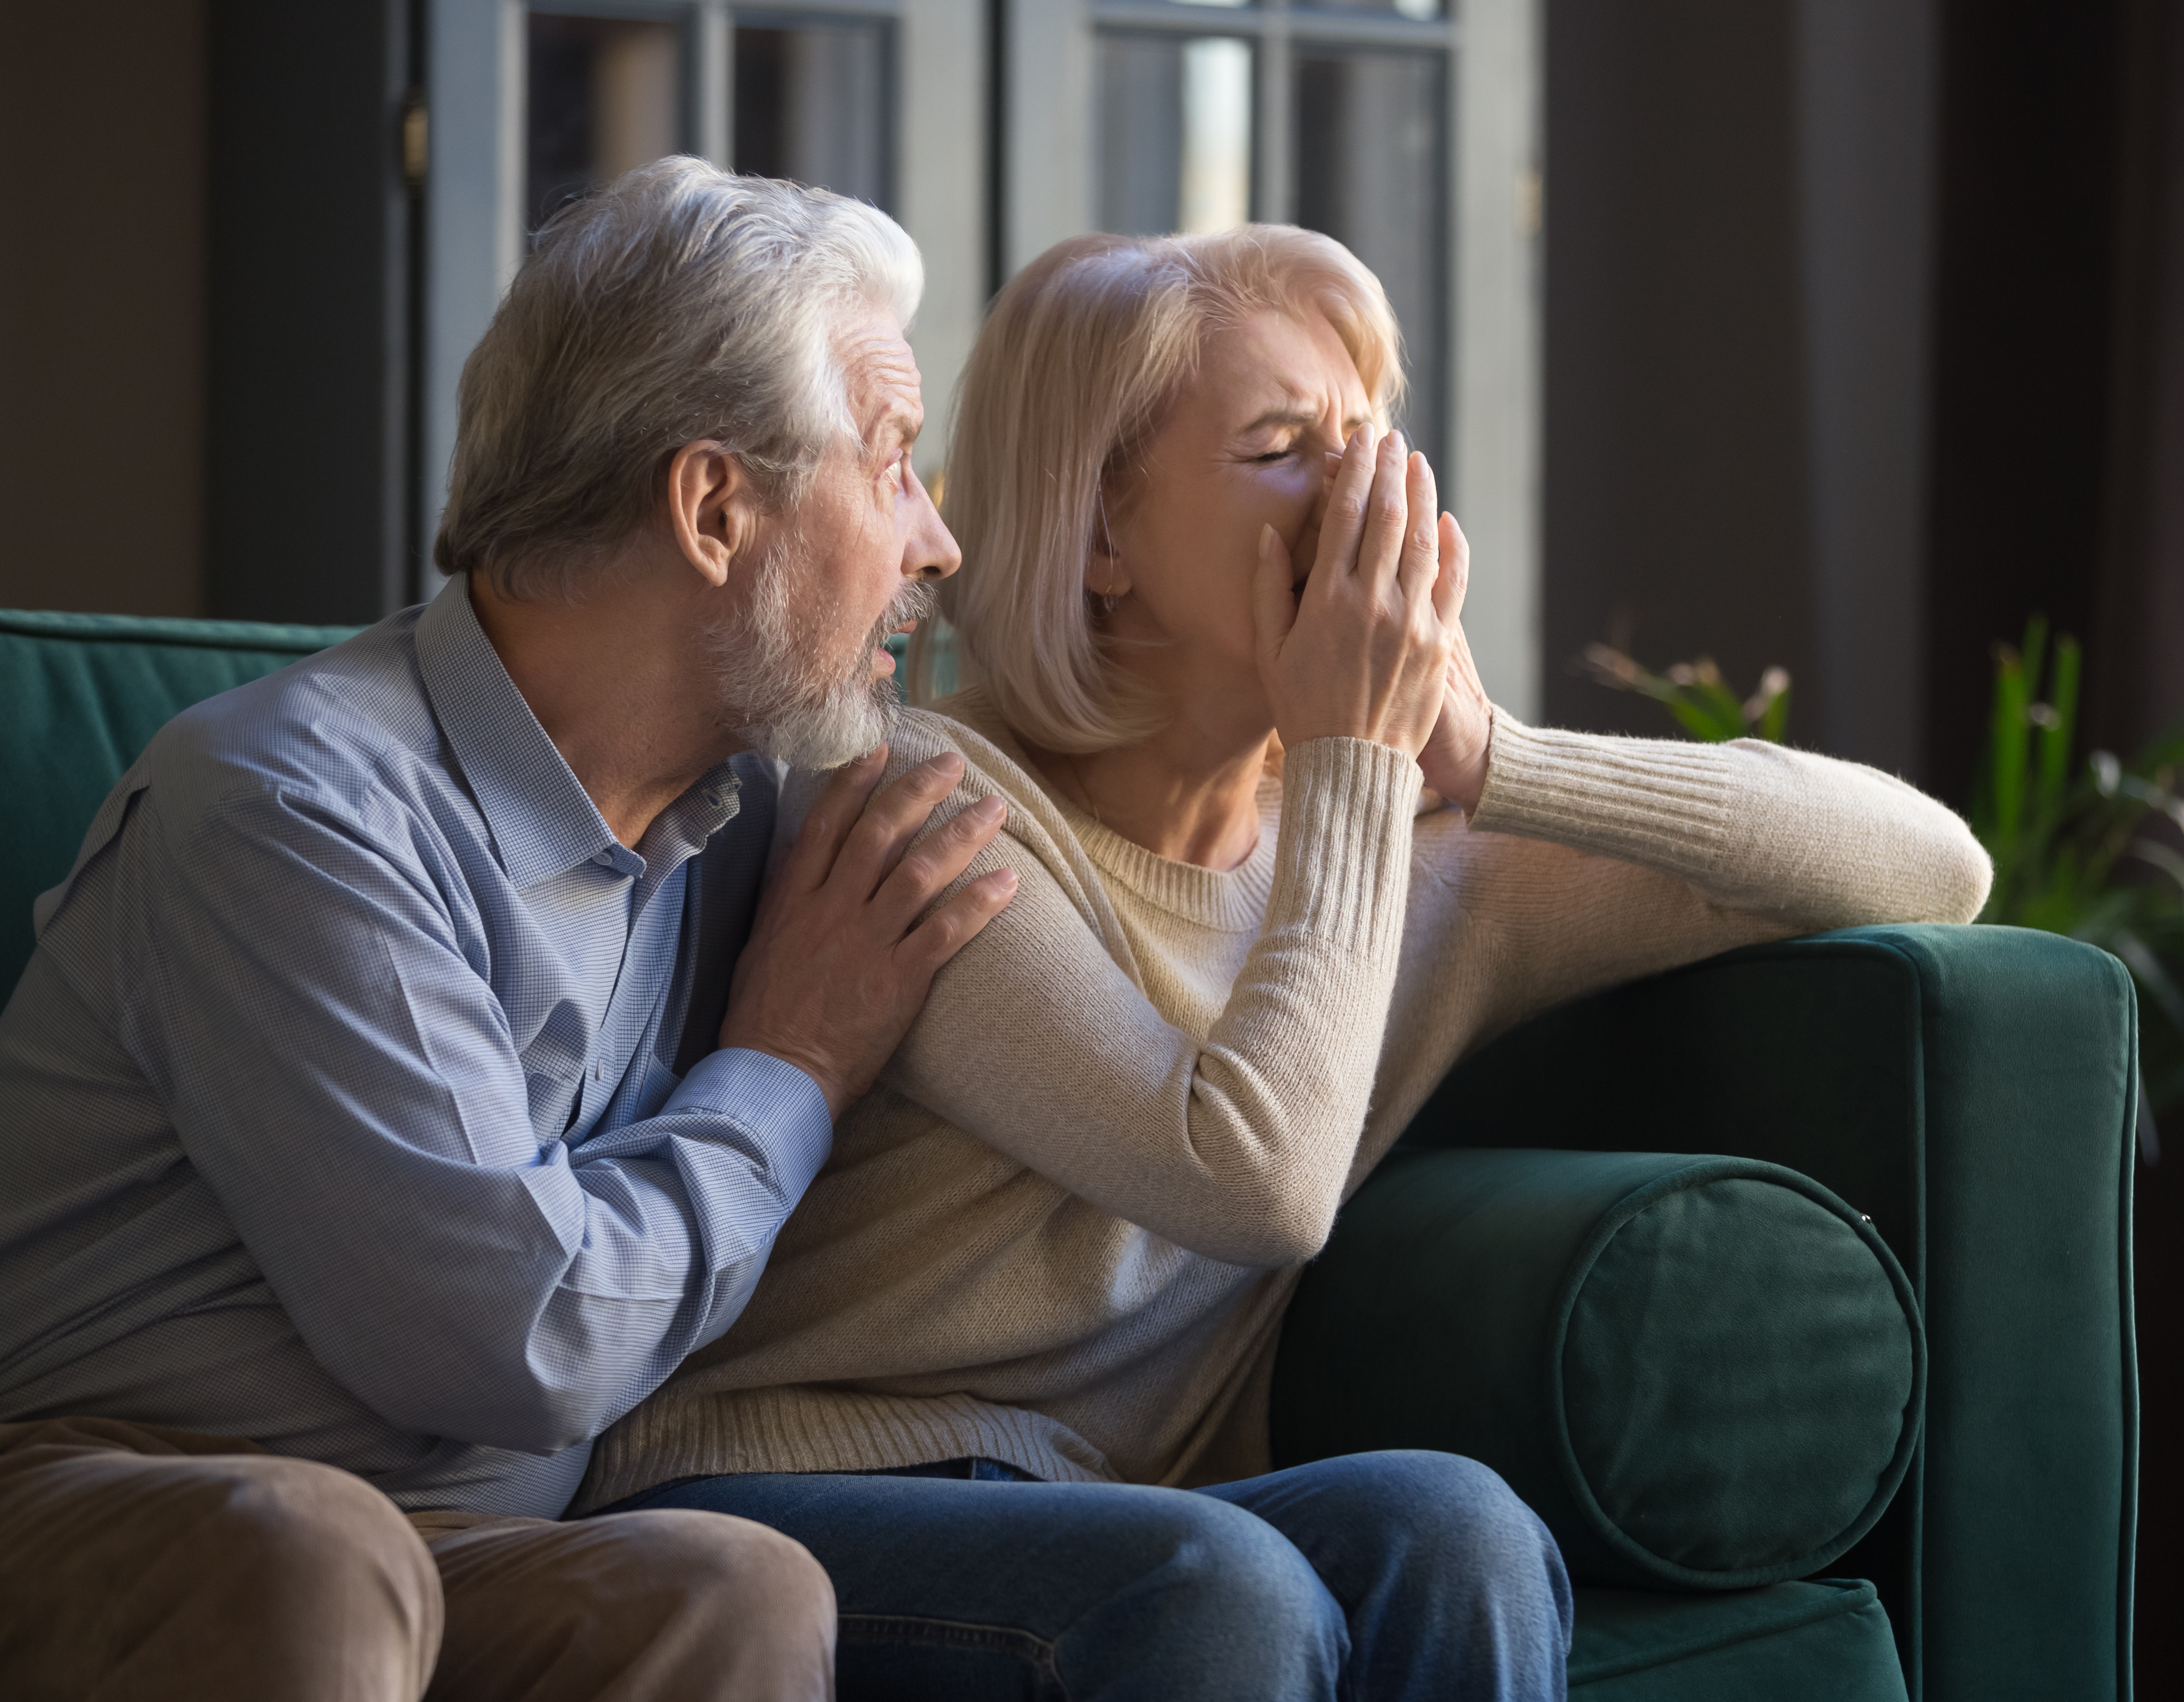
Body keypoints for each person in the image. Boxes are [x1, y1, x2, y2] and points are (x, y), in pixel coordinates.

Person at [583, 229, 1996, 1694]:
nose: (1365, 496)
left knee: (1462, 1529)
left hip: (1110, 1511)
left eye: (1368, 438)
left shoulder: (1398, 843)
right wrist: (1354, 765)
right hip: (773, 1497)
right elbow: (1250, 1177)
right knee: (1218, 1581)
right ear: (1103, 537)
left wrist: (1489, 756)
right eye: (1280, 450)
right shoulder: (924, 803)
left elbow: (1932, 867)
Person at [0, 159, 1000, 1700]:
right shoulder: (292, 806)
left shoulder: (753, 805)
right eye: (891, 466)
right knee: (313, 1549)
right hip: (98, 1493)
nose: (932, 543)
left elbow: (1091, 783)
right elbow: (518, 1337)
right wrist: (788, 1065)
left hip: (451, 1536)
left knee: (735, 1588)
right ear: (715, 506)